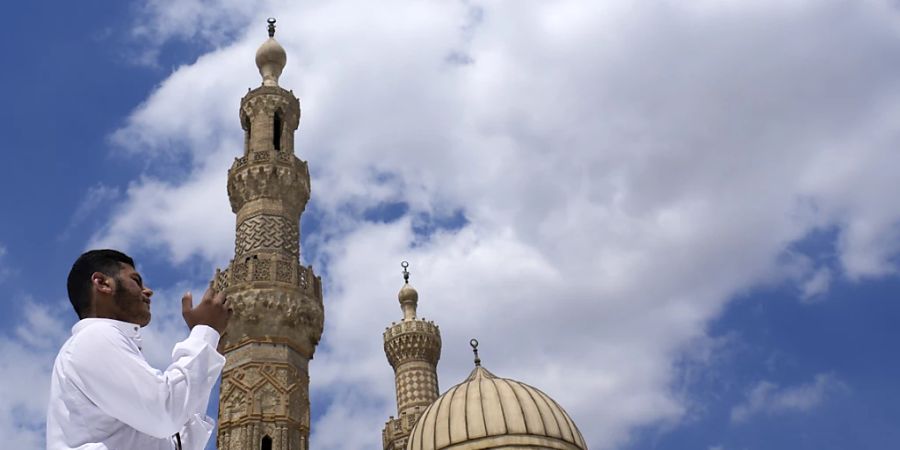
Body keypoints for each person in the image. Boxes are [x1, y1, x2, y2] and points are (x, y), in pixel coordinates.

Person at [46, 249, 232, 450]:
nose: (148, 290)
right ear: (102, 283)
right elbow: (165, 413)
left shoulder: (106, 345)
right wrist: (204, 333)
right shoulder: (94, 337)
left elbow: (178, 442)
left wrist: (206, 351)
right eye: (136, 280)